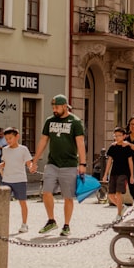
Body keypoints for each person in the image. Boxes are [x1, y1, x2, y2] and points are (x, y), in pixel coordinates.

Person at [31, 94, 87, 237]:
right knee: (46, 192)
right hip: (52, 163)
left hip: (69, 164)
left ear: (64, 106)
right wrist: (35, 160)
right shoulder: (49, 121)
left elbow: (80, 143)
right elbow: (43, 141)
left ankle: (66, 225)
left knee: (68, 197)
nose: (54, 110)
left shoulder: (75, 122)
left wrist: (82, 163)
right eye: (53, 107)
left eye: (56, 107)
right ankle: (51, 220)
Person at [0, 127, 33, 233]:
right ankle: (0, 224)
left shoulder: (23, 149)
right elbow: (4, 163)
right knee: (3, 203)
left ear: (17, 137)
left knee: (22, 203)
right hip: (7, 180)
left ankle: (24, 224)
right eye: (6, 139)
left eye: (10, 138)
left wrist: (32, 167)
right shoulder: (5, 150)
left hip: (20, 180)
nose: (8, 141)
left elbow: (29, 164)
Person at [102, 127, 134, 221]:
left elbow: (130, 161)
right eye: (115, 136)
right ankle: (122, 207)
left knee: (118, 193)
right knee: (111, 195)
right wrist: (105, 174)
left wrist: (132, 175)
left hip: (124, 173)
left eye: (119, 135)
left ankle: (119, 214)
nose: (117, 137)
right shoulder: (112, 147)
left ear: (124, 136)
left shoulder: (127, 147)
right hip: (114, 172)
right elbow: (109, 161)